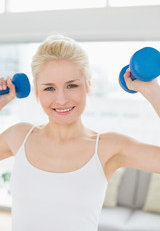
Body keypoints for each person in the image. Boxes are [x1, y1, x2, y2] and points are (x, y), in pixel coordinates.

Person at [0, 34, 160, 231]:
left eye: (72, 85)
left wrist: (152, 91)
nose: (61, 99)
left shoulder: (108, 147)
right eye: (49, 88)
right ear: (37, 92)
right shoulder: (18, 136)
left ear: (88, 85)